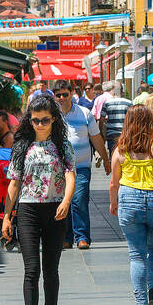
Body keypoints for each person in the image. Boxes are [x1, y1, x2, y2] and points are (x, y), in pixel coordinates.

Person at [4, 91, 76, 305]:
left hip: (56, 209)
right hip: (28, 209)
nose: (40, 125)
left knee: (51, 269)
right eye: (35, 120)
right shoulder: (22, 145)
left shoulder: (62, 145)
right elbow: (13, 183)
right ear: (29, 120)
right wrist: (6, 216)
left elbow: (70, 175)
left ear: (54, 119)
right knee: (31, 269)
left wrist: (66, 200)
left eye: (45, 120)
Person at [108, 104, 153, 305]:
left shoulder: (120, 149)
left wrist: (113, 203)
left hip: (128, 200)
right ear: (150, 123)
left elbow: (113, 182)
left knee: (136, 255)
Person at [53, 80, 108, 250]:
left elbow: (96, 138)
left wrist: (105, 159)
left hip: (81, 166)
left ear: (71, 93)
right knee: (63, 201)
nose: (62, 98)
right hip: (58, 167)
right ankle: (66, 237)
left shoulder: (84, 113)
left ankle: (82, 237)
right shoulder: (52, 116)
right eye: (58, 95)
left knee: (79, 199)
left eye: (65, 94)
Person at [99, 83, 133, 156]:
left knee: (113, 154)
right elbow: (132, 120)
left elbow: (101, 119)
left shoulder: (107, 103)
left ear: (113, 91)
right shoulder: (129, 103)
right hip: (125, 134)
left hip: (111, 134)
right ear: (122, 91)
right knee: (125, 156)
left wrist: (101, 133)